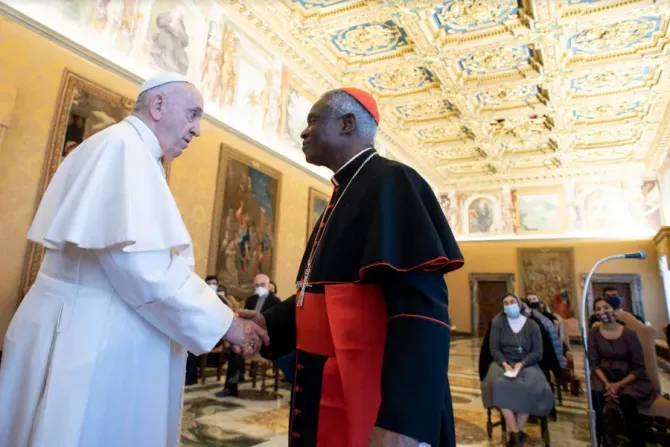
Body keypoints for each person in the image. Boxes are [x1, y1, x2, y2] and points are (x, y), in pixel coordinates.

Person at [0, 72, 268, 447]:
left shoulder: (120, 147)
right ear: (157, 105)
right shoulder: (125, 150)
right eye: (193, 114)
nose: (197, 130)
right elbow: (147, 271)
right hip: (88, 339)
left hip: (81, 327)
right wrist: (226, 323)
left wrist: (223, 317)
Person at [239, 88, 464, 447]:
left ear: (347, 124)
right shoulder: (343, 191)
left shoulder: (393, 182)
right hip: (327, 386)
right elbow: (322, 296)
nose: (303, 131)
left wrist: (402, 422)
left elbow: (421, 312)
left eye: (313, 120)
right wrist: (271, 322)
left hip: (376, 402)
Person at [481, 294, 554, 447]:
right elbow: (494, 348)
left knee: (529, 386)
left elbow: (537, 352)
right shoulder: (497, 323)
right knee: (498, 384)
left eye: (512, 302)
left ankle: (517, 434)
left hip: (527, 364)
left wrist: (521, 364)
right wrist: (504, 363)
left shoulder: (532, 325)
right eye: (505, 303)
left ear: (520, 304)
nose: (509, 305)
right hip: (502, 363)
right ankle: (516, 433)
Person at [588, 297, 656, 447]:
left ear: (614, 310)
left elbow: (638, 366)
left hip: (629, 377)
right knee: (595, 398)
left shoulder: (630, 334)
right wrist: (607, 384)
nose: (602, 312)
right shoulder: (593, 333)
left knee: (627, 401)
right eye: (598, 309)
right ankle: (599, 439)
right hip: (603, 375)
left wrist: (618, 385)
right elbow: (593, 362)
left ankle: (637, 442)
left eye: (606, 308)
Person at [217, 274, 281, 398]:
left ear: (268, 286)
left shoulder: (276, 302)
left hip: (265, 338)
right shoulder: (250, 300)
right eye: (256, 285)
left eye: (262, 285)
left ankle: (238, 374)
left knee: (240, 347)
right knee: (235, 348)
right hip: (247, 335)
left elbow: (275, 323)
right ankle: (231, 386)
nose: (259, 287)